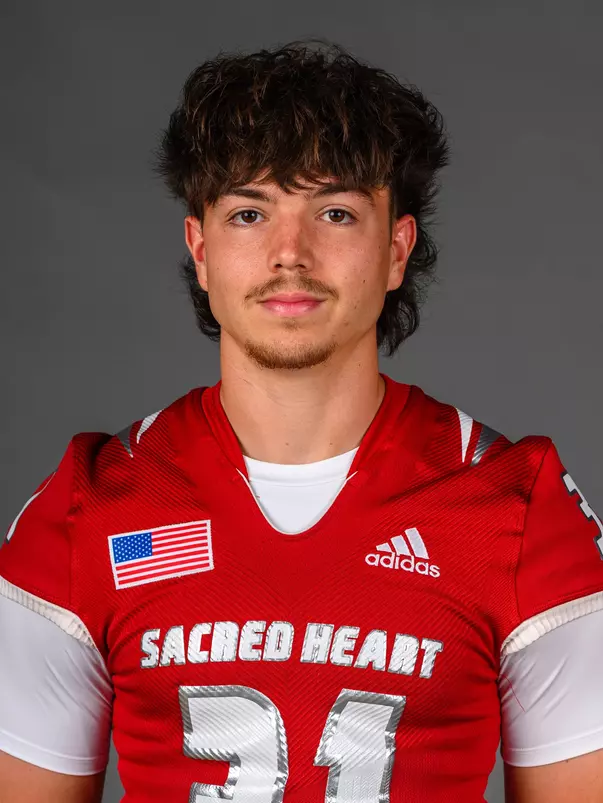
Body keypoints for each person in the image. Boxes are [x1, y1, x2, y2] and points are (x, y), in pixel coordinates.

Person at [0, 39, 602, 803]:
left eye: (335, 212)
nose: (290, 253)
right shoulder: (88, 506)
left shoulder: (518, 508)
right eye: (249, 213)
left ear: (396, 249)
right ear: (201, 249)